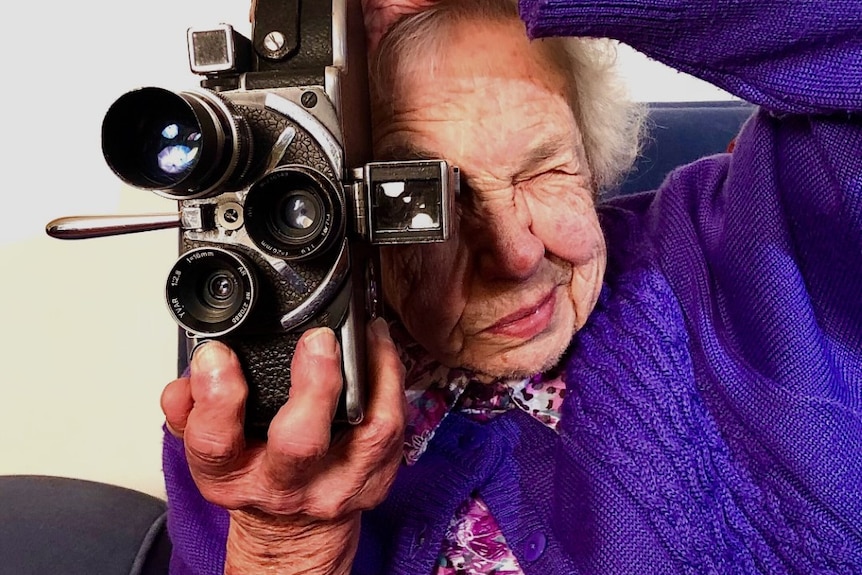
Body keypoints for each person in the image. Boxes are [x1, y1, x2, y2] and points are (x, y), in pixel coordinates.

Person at [159, 0, 862, 573]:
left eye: (544, 169)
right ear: (346, 221)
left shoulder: (751, 244)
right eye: (431, 201)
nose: (518, 256)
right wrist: (290, 547)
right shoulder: (278, 409)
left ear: (592, 148)